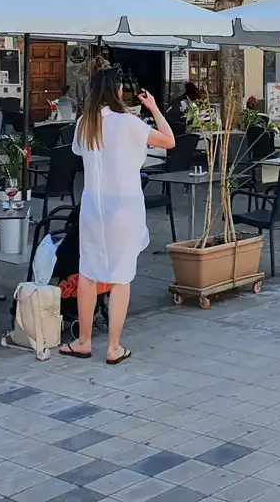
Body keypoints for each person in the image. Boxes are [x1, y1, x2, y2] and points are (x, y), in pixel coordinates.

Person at [60, 67, 175, 364]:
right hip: (124, 207)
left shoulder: (85, 123)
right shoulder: (130, 123)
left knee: (88, 273)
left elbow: (77, 152)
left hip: (93, 208)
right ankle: (113, 346)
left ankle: (84, 341)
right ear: (118, 91)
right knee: (121, 276)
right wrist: (153, 107)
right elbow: (168, 140)